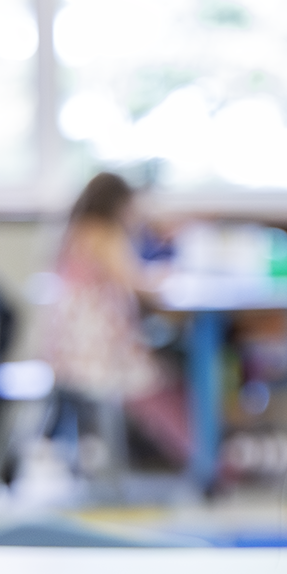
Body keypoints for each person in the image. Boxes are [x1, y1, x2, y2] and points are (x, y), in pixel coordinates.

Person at [41, 173, 189, 470]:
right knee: (168, 378)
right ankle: (204, 458)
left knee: (164, 369)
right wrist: (164, 276)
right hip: (97, 358)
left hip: (66, 354)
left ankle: (178, 454)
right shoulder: (102, 234)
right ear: (119, 204)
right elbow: (136, 283)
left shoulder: (75, 232)